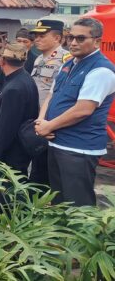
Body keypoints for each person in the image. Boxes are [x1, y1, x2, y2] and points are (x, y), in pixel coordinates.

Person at [35, 18, 115, 207]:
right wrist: (41, 122)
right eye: (70, 37)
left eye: (80, 38)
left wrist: (49, 126)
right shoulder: (69, 64)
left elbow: (83, 110)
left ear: (97, 41)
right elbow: (51, 95)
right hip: (57, 143)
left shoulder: (101, 70)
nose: (73, 43)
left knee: (77, 207)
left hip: (79, 148)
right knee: (58, 201)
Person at [0, 43, 39, 224]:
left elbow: (6, 127)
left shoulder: (14, 87)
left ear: (2, 61)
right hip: (20, 142)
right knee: (14, 182)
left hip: (13, 146)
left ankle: (3, 218)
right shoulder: (25, 79)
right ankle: (10, 215)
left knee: (7, 183)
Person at [28, 19, 69, 186]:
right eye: (36, 36)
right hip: (37, 118)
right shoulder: (38, 59)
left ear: (57, 38)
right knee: (37, 165)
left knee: (50, 168)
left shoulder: (66, 59)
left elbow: (62, 95)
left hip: (51, 121)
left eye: (42, 36)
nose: (37, 39)